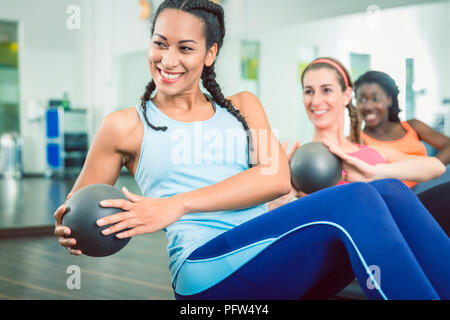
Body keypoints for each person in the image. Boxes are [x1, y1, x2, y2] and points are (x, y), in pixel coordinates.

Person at [54, 1, 450, 300]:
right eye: (160, 44)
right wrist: (69, 228)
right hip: (205, 270)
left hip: (266, 250)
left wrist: (176, 204)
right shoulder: (123, 125)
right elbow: (79, 209)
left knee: (391, 191)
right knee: (359, 199)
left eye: (185, 48)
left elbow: (274, 176)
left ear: (210, 53)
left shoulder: (243, 107)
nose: (168, 60)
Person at [353, 70, 450, 192]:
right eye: (362, 100)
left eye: (375, 99)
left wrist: (428, 172)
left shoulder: (412, 126)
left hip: (428, 187)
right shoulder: (357, 139)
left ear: (389, 100)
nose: (368, 106)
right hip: (395, 195)